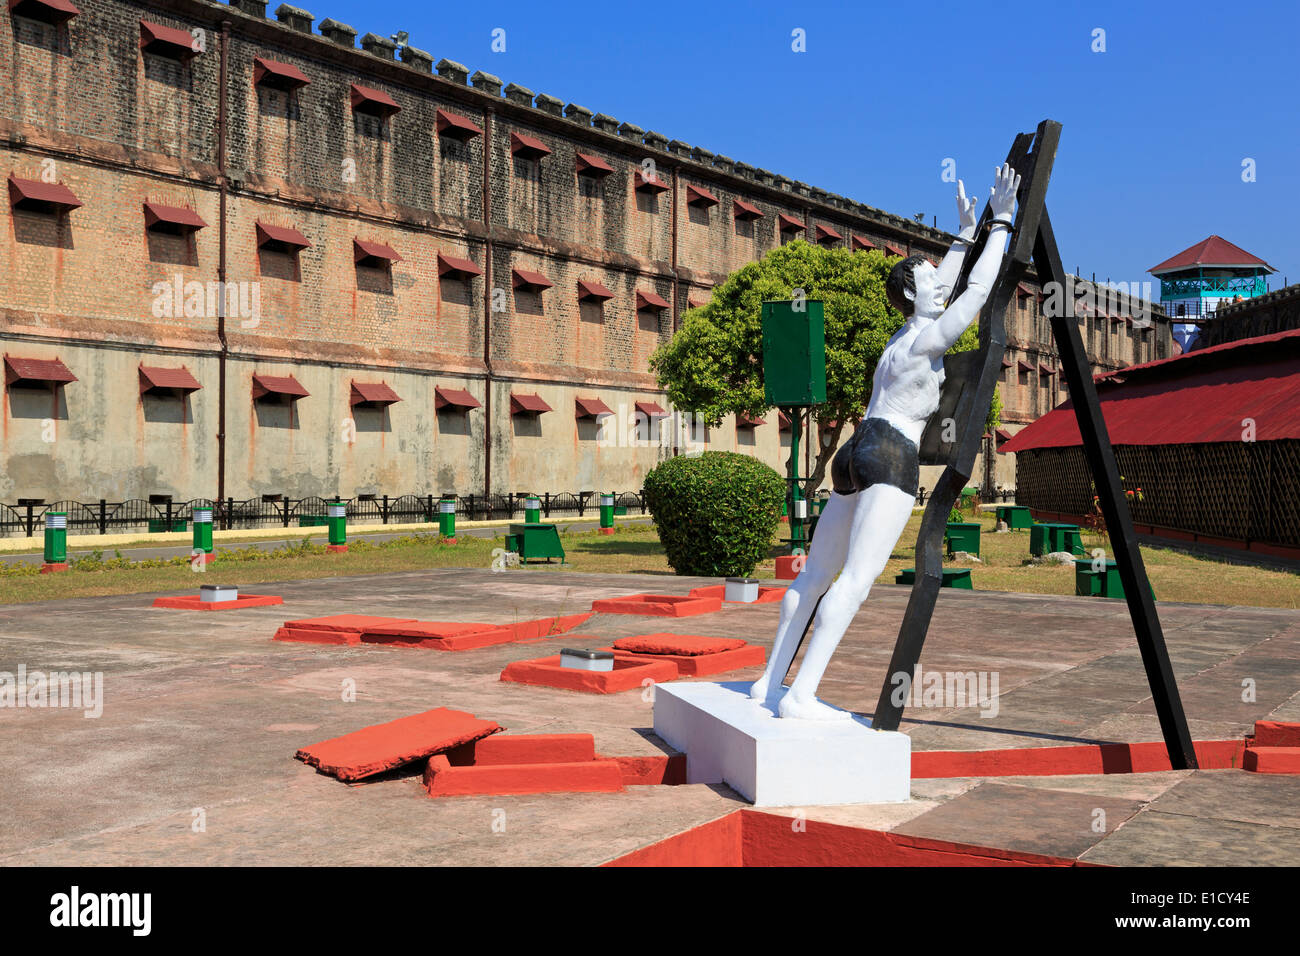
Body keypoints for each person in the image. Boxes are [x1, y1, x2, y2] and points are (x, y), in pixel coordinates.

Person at [750, 163, 1021, 719]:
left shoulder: (899, 341)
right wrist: (1003, 224)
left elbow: (942, 283)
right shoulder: (928, 340)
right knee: (856, 579)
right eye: (927, 279)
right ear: (917, 292)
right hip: (891, 454)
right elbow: (974, 290)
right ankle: (800, 695)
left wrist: (964, 235)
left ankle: (768, 684)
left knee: (814, 574)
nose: (937, 282)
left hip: (854, 452)